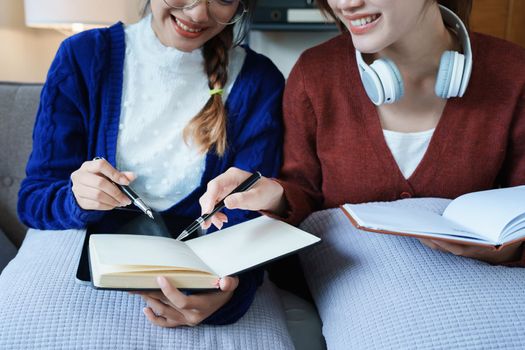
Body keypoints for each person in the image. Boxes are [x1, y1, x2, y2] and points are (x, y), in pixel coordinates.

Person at [17, 0, 285, 327]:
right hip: (84, 271)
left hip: (197, 289)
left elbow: (252, 224)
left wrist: (228, 296)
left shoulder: (260, 81)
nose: (199, 14)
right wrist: (78, 198)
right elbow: (33, 201)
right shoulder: (82, 57)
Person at [199, 0, 525, 266]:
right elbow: (305, 194)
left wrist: (506, 250)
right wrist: (277, 195)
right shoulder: (315, 76)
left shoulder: (514, 74)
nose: (346, 4)